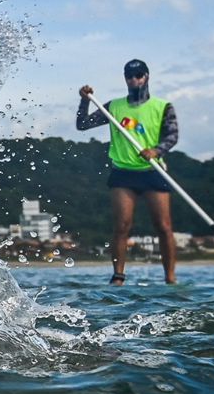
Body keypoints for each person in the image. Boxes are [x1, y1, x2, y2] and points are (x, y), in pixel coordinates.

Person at [77, 58, 180, 285]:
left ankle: (170, 278)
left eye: (139, 75)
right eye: (129, 76)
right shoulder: (114, 106)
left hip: (152, 171)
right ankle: (118, 275)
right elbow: (82, 124)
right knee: (122, 226)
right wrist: (84, 101)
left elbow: (172, 136)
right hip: (123, 173)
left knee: (164, 227)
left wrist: (156, 150)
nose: (134, 80)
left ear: (146, 77)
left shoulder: (163, 107)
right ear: (125, 79)